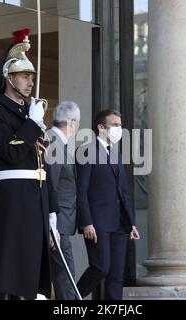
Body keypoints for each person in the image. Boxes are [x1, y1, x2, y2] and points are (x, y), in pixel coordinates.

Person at [0, 29, 58, 300]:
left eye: (32, 77)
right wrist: (32, 124)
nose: (30, 83)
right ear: (9, 77)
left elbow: (43, 166)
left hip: (36, 197)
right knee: (10, 272)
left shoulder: (31, 113)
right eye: (24, 77)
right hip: (12, 198)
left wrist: (52, 211)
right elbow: (12, 152)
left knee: (31, 275)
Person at [76, 110, 140, 300]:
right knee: (101, 267)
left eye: (120, 125)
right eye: (115, 125)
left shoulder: (116, 154)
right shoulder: (87, 151)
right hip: (97, 223)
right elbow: (81, 191)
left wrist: (131, 223)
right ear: (101, 128)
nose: (119, 129)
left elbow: (124, 192)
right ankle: (71, 298)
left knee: (117, 275)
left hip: (119, 223)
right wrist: (86, 222)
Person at [45, 101, 81, 300]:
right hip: (57, 224)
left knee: (64, 277)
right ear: (73, 123)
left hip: (59, 223)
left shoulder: (56, 142)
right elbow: (50, 185)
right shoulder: (54, 144)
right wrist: (53, 227)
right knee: (66, 277)